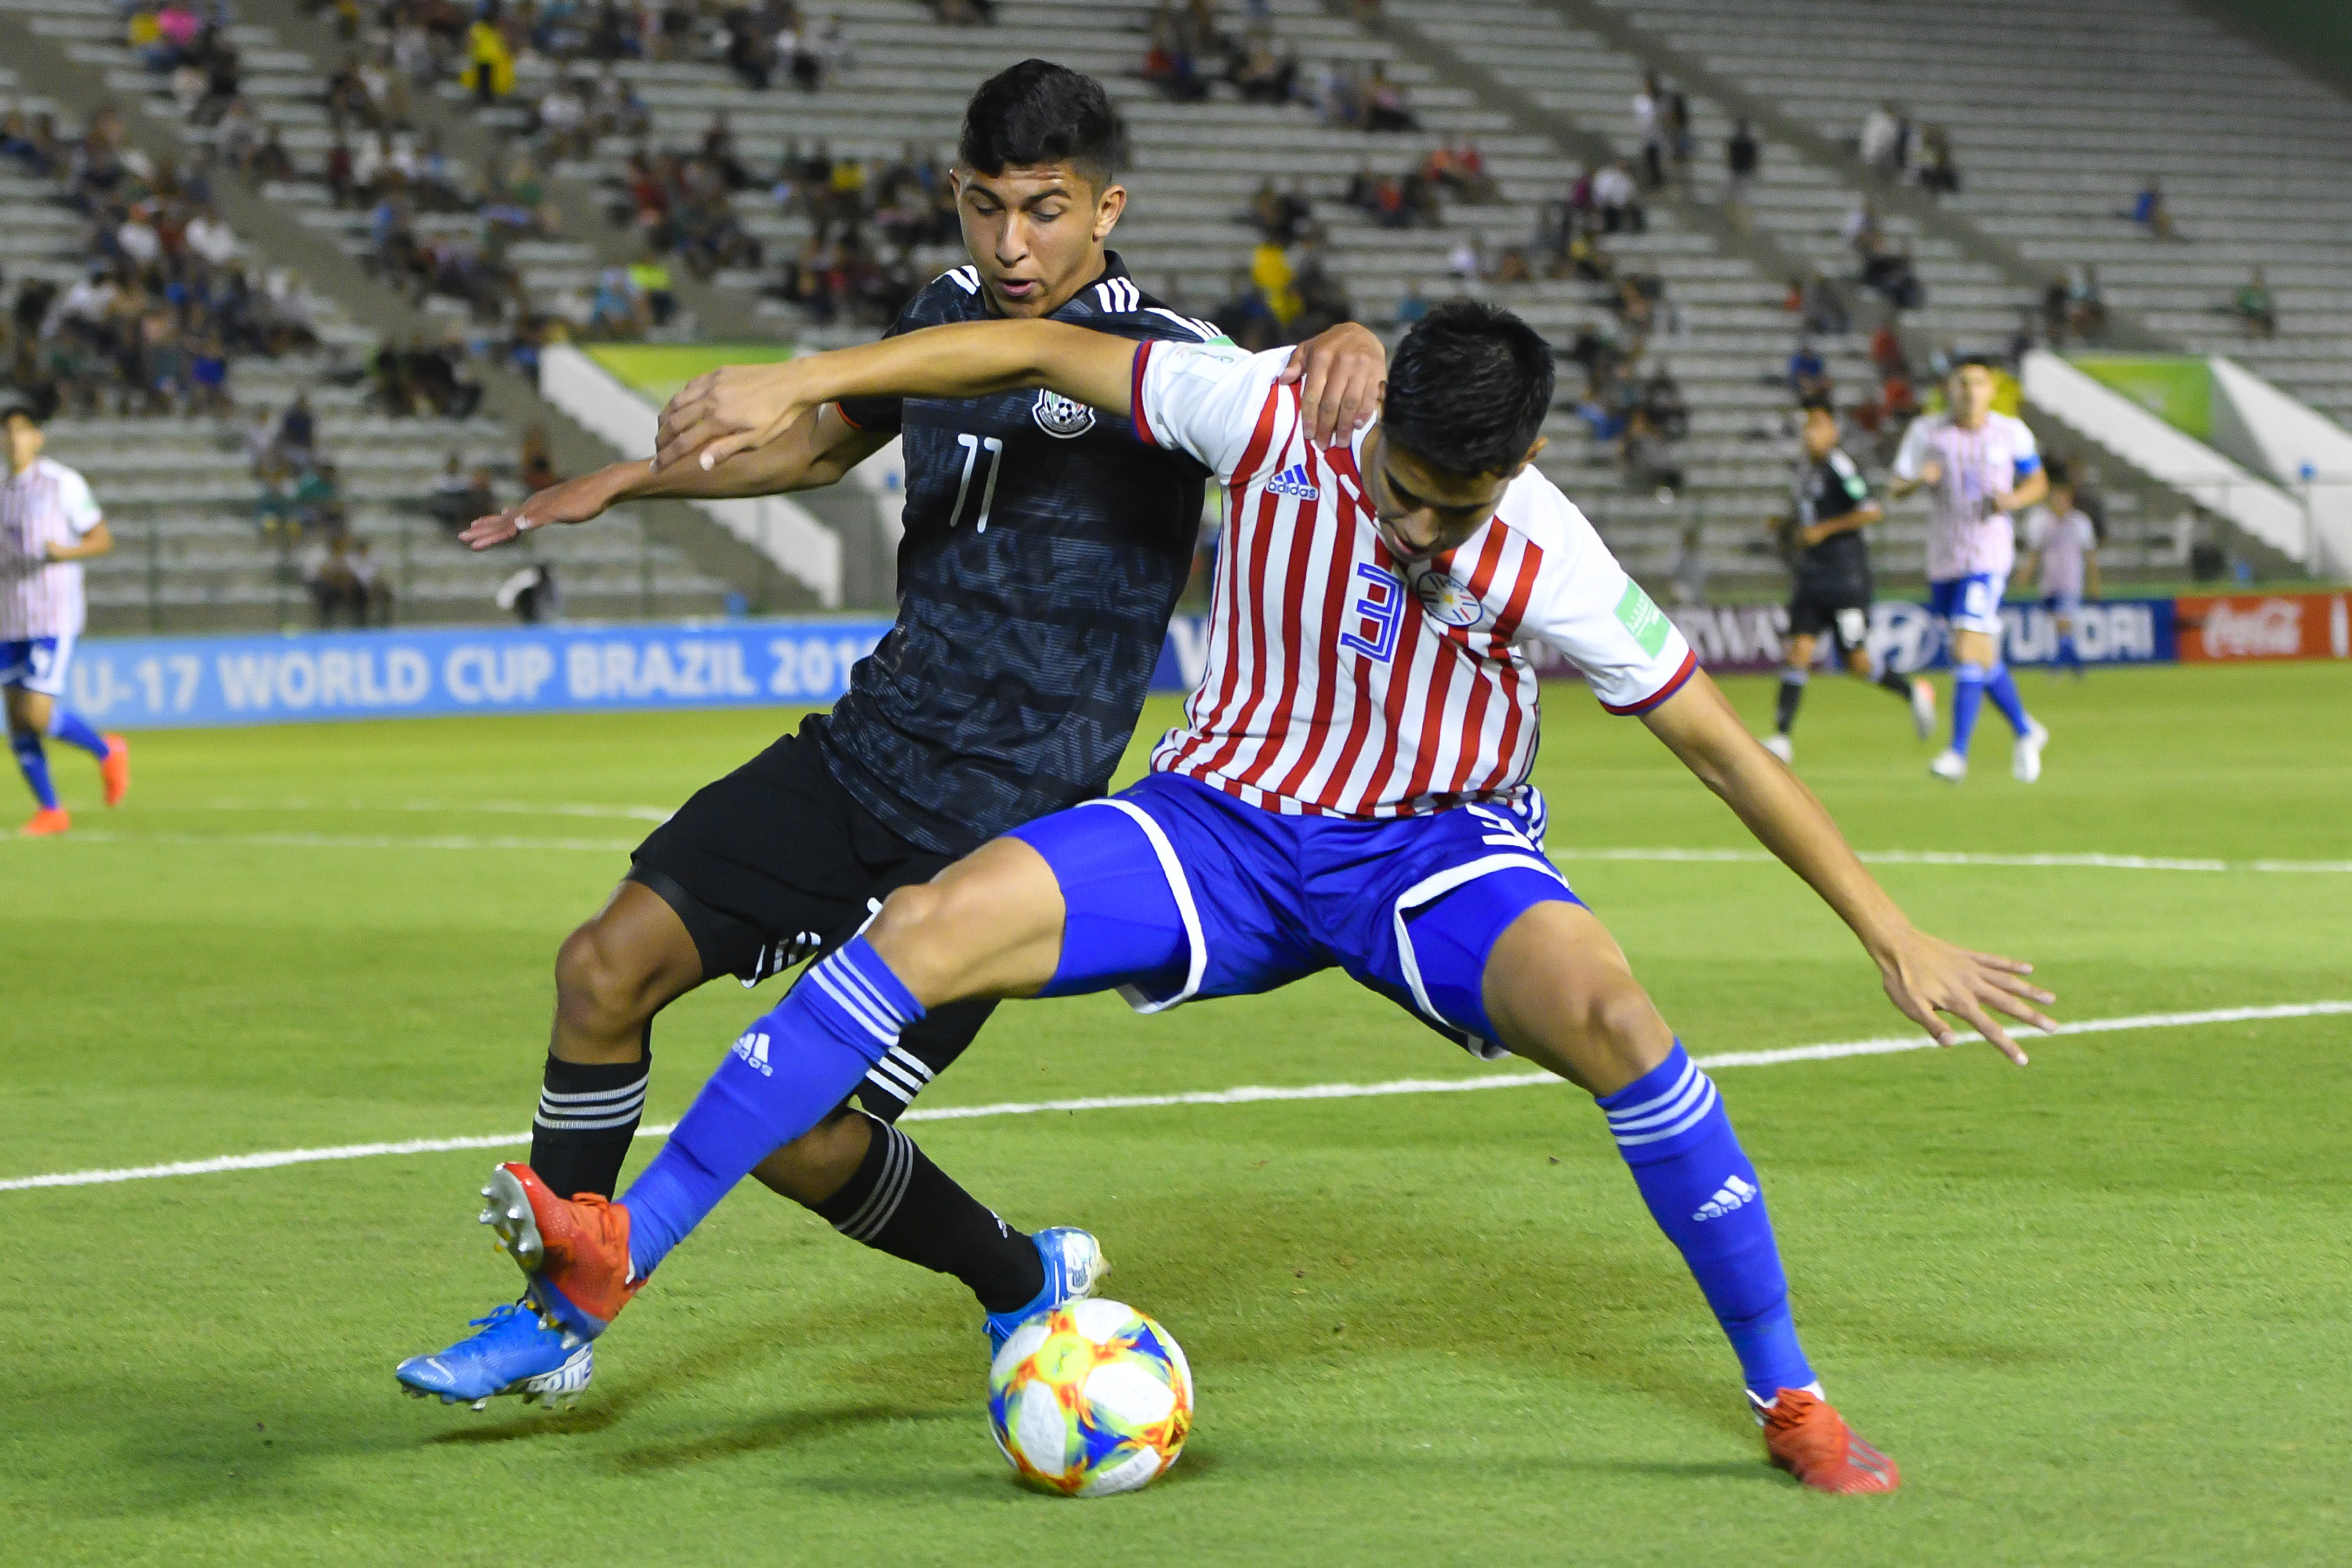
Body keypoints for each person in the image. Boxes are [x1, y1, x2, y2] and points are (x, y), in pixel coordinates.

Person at [482, 299, 2059, 1496]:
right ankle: (619, 1248)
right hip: (1225, 819)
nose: (1420, 526)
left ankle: (1787, 1392)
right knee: (930, 925)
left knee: (1621, 1021)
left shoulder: (1557, 559)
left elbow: (1725, 752)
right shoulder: (1269, 411)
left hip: (1439, 851)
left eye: (1461, 504)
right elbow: (1032, 342)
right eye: (1405, 489)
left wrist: (1890, 928)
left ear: (1516, 470)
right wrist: (805, 378)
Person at [394, 59, 1385, 1411]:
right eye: (985, 208)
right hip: (868, 752)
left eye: (1044, 210)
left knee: (810, 1139)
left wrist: (1357, 336)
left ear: (1108, 209)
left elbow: (1307, 399)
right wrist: (624, 482)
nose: (1011, 244)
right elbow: (813, 450)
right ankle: (556, 1313)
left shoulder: (1170, 361)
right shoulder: (934, 322)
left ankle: (1019, 1281)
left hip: (1010, 831)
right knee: (603, 967)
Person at [1890, 358, 2050, 782]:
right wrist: (1917, 481)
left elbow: (2038, 482)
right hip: (1944, 558)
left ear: (1991, 390)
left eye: (1978, 383)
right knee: (1978, 654)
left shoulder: (2011, 432)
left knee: (1965, 647)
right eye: (1962, 383)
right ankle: (2025, 729)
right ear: (1949, 389)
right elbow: (1895, 486)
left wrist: (2012, 501)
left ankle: (1957, 753)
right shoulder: (1926, 432)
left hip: (1988, 555)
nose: (1969, 390)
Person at [1760, 397, 1935, 764]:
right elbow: (1809, 517)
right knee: (1798, 653)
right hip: (1812, 576)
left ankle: (1912, 691)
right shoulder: (1805, 472)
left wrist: (1826, 529)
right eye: (1808, 427)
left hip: (1845, 578)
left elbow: (1871, 510)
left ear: (1834, 432)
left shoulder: (1840, 466)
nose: (1811, 434)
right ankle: (1781, 737)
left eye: (1819, 426)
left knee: (1856, 661)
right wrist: (1788, 525)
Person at [0, 405, 129, 836]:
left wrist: (64, 553)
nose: (11, 440)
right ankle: (51, 810)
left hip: (52, 615)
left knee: (36, 714)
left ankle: (106, 750)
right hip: (8, 618)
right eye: (5, 433)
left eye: (19, 431)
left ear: (37, 438)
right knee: (16, 719)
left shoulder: (62, 484)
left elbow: (102, 539)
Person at [2019, 475, 2100, 677]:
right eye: (2055, 498)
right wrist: (2025, 575)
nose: (2058, 502)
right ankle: (2077, 665)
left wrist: (2094, 582)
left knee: (2063, 623)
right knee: (2060, 627)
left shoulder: (2080, 523)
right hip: (2049, 582)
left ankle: (2055, 668)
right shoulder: (2042, 523)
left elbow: (2090, 556)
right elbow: (2035, 554)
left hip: (2071, 581)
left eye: (2062, 498)